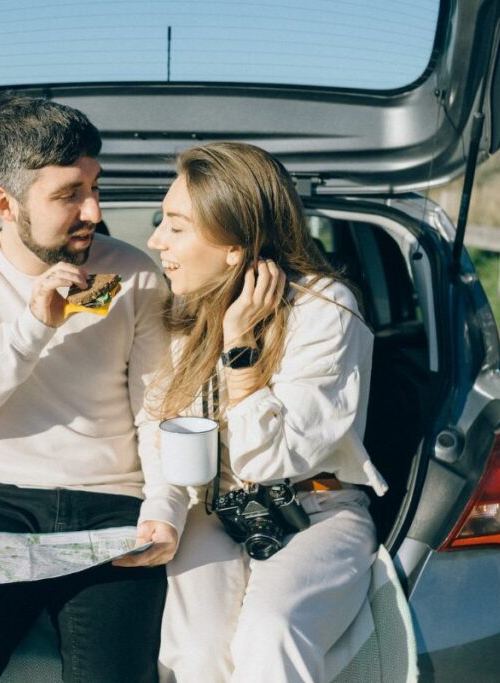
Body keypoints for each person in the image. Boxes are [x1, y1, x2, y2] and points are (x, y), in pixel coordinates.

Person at [0, 96, 188, 683]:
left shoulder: (132, 272)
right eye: (68, 195)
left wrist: (165, 509)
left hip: (113, 506)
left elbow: (157, 408)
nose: (93, 209)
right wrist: (33, 328)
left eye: (93, 186)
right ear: (4, 205)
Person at [144, 142, 390, 682]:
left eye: (175, 226)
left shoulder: (327, 309)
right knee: (196, 652)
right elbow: (157, 423)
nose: (155, 240)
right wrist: (160, 509)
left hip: (319, 510)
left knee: (270, 631)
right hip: (217, 508)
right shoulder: (187, 305)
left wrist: (241, 353)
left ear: (234, 246)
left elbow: (270, 459)